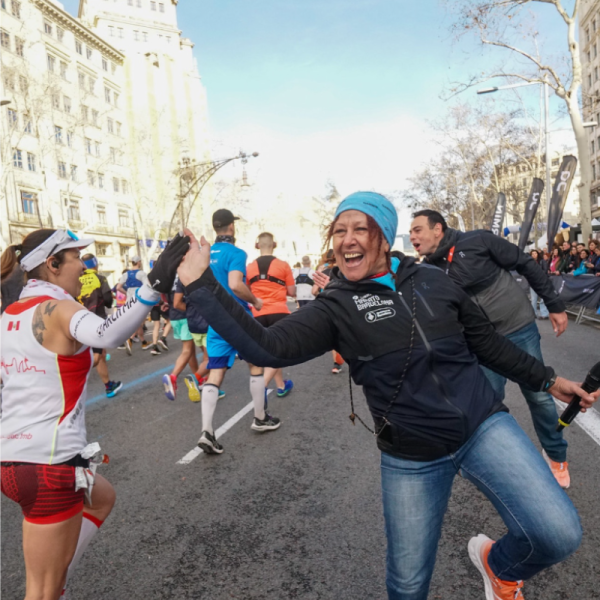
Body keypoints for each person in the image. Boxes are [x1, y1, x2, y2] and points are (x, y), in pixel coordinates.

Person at [177, 192, 598, 600]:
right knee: (408, 587)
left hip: (483, 426)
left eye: (361, 227)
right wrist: (202, 286)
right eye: (339, 230)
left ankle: (499, 567)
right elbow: (267, 347)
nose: (348, 238)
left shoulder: (434, 279)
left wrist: (548, 380)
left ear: (383, 236)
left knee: (558, 535)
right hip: (412, 457)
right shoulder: (334, 306)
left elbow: (487, 344)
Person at [0, 228, 188, 600]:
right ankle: (55, 580)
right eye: (77, 259)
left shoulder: (11, 313)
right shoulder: (56, 307)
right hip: (50, 466)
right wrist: (151, 288)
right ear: (52, 264)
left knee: (101, 497)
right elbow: (106, 334)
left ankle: (59, 571)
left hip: (17, 462)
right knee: (41, 593)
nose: (84, 268)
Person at [410, 209, 573, 488]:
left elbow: (526, 264)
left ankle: (556, 455)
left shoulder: (478, 240)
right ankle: (495, 461)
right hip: (479, 344)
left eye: (417, 230)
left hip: (517, 328)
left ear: (437, 229)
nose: (412, 236)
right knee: (486, 403)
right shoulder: (427, 269)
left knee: (539, 395)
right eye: (411, 232)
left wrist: (554, 305)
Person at [197, 209, 281, 455]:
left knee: (215, 373)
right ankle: (260, 417)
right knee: (256, 366)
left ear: (215, 228)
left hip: (215, 317)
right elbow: (235, 284)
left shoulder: (204, 254)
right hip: (238, 316)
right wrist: (254, 300)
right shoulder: (236, 253)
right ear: (231, 228)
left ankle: (207, 432)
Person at [247, 232, 295, 398]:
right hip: (279, 312)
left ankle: (281, 385)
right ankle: (263, 387)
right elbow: (291, 291)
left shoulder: (249, 267)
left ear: (257, 245)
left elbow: (246, 292)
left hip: (258, 314)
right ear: (274, 245)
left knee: (270, 352)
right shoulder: (283, 265)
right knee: (280, 352)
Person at [78, 253, 122, 398]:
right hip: (96, 321)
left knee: (101, 354)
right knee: (96, 356)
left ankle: (108, 385)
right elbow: (108, 299)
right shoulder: (100, 278)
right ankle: (72, 380)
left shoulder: (76, 279)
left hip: (78, 321)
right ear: (95, 264)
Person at [161, 275, 199, 400]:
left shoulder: (168, 273)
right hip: (185, 314)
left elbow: (162, 292)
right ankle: (173, 377)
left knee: (190, 351)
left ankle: (198, 380)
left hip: (174, 316)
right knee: (188, 350)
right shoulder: (185, 272)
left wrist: (167, 303)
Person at [312, 249, 345, 374]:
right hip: (343, 305)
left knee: (334, 335)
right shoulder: (345, 269)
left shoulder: (323, 270)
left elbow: (313, 291)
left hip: (327, 306)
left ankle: (336, 364)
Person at [117, 256, 150, 353]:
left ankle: (143, 342)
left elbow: (118, 287)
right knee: (139, 321)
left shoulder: (126, 274)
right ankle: (130, 339)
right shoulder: (141, 274)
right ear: (138, 262)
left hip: (129, 301)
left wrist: (126, 293)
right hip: (139, 300)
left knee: (137, 322)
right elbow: (147, 286)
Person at [529, 249, 550, 319]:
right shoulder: (529, 262)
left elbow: (545, 270)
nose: (534, 255)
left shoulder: (542, 261)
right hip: (533, 282)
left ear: (538, 254)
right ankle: (533, 313)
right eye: (532, 254)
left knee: (543, 299)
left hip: (542, 282)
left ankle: (544, 314)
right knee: (534, 299)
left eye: (535, 253)